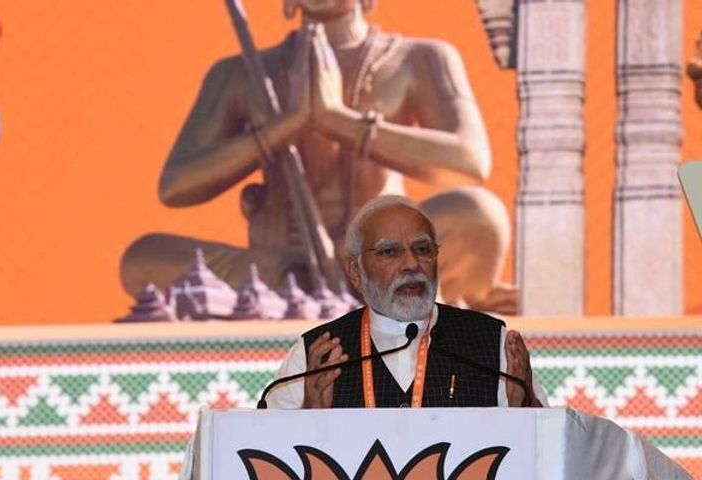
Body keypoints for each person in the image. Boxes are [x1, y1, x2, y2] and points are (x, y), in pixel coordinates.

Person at [121, 0, 517, 314]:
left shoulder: (420, 59)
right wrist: (286, 125)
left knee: (480, 214)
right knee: (142, 260)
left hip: (383, 250)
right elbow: (175, 186)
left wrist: (338, 120)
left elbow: (471, 161)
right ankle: (329, 287)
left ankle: (384, 284)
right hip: (279, 264)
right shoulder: (240, 73)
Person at [266, 195, 545, 408]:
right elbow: (265, 449)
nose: (411, 264)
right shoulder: (317, 354)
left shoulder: (491, 343)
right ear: (355, 271)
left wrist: (525, 410)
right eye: (389, 252)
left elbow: (550, 446)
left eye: (422, 249)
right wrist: (308, 416)